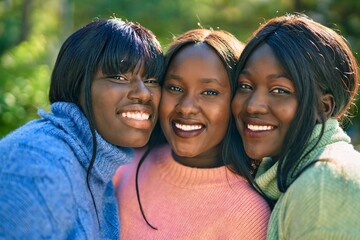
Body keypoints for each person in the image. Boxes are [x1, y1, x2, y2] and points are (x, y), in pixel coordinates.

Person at [0, 18, 164, 239]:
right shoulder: (36, 165)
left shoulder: (93, 163)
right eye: (118, 77)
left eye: (152, 80)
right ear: (76, 84)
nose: (144, 93)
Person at [113, 28, 271, 239]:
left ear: (236, 101)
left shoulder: (247, 213)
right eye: (175, 88)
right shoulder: (126, 163)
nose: (186, 108)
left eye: (210, 92)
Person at [232, 13, 360, 239]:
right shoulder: (292, 177)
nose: (253, 106)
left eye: (280, 90)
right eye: (245, 86)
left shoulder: (324, 185)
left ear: (323, 108)